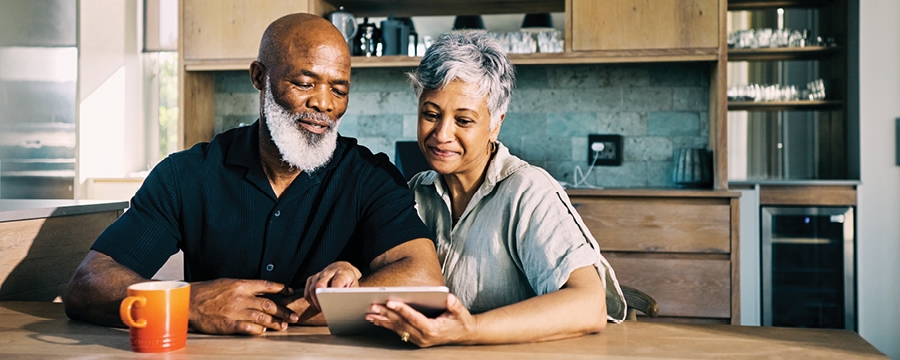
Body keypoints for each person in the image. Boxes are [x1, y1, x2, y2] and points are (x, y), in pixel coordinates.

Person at [63, 13, 444, 335]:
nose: (323, 104)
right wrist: (188, 304)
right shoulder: (187, 176)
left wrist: (324, 301)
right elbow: (88, 283)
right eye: (304, 82)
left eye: (339, 89)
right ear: (259, 76)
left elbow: (423, 277)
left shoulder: (368, 176)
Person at [364, 31, 627, 347]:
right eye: (430, 115)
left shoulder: (528, 191)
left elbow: (590, 305)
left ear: (495, 124)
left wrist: (470, 329)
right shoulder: (412, 194)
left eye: (463, 121)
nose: (441, 134)